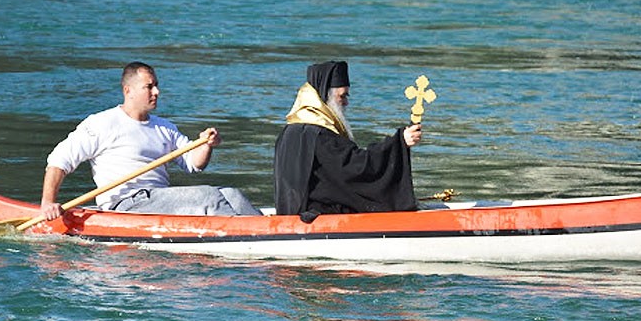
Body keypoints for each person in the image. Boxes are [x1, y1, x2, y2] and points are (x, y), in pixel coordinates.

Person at [40, 62, 259, 220]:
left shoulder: (164, 127)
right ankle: (250, 237)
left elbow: (194, 164)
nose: (157, 92)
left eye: (156, 85)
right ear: (128, 91)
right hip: (126, 204)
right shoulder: (101, 123)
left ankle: (271, 230)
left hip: (159, 198)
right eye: (149, 87)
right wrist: (48, 203)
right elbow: (59, 161)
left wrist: (205, 145)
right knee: (209, 196)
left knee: (231, 194)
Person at [273, 60, 423, 222]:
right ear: (325, 95)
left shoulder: (290, 130)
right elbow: (356, 168)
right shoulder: (319, 135)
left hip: (290, 215)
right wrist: (399, 142)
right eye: (342, 96)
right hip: (319, 217)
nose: (346, 103)